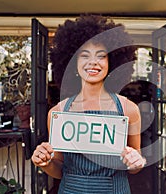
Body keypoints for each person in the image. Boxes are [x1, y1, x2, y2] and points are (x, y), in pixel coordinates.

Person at [31, 15, 146, 193]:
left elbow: (135, 166)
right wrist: (45, 163)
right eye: (84, 55)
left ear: (112, 63)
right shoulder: (59, 112)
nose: (93, 62)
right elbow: (59, 169)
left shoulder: (129, 110)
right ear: (72, 62)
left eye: (101, 56)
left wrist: (137, 162)